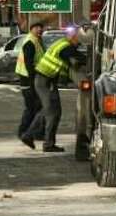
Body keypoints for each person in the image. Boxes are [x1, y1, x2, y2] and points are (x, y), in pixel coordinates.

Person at [21, 23, 82, 153]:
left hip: (48, 81)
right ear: (72, 37)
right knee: (51, 112)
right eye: (78, 38)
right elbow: (78, 58)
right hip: (43, 81)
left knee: (54, 111)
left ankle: (34, 137)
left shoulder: (63, 43)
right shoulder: (66, 47)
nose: (80, 41)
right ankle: (43, 142)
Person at [15, 20, 46, 146]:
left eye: (41, 28)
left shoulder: (36, 40)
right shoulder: (30, 42)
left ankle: (34, 132)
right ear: (31, 29)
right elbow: (28, 63)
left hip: (29, 78)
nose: (40, 30)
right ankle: (24, 132)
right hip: (27, 79)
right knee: (32, 107)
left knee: (37, 107)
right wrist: (33, 81)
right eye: (37, 27)